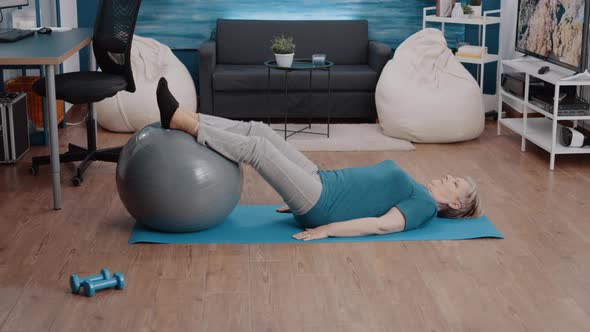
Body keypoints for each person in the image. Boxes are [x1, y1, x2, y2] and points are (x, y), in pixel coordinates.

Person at [156, 78, 483, 241]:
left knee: (258, 150)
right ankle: (187, 114)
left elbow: (382, 225)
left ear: (454, 204)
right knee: (261, 131)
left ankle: (184, 124)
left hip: (321, 203)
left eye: (454, 184)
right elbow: (367, 197)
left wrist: (326, 229)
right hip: (319, 182)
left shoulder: (424, 206)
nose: (446, 177)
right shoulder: (421, 195)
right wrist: (294, 192)